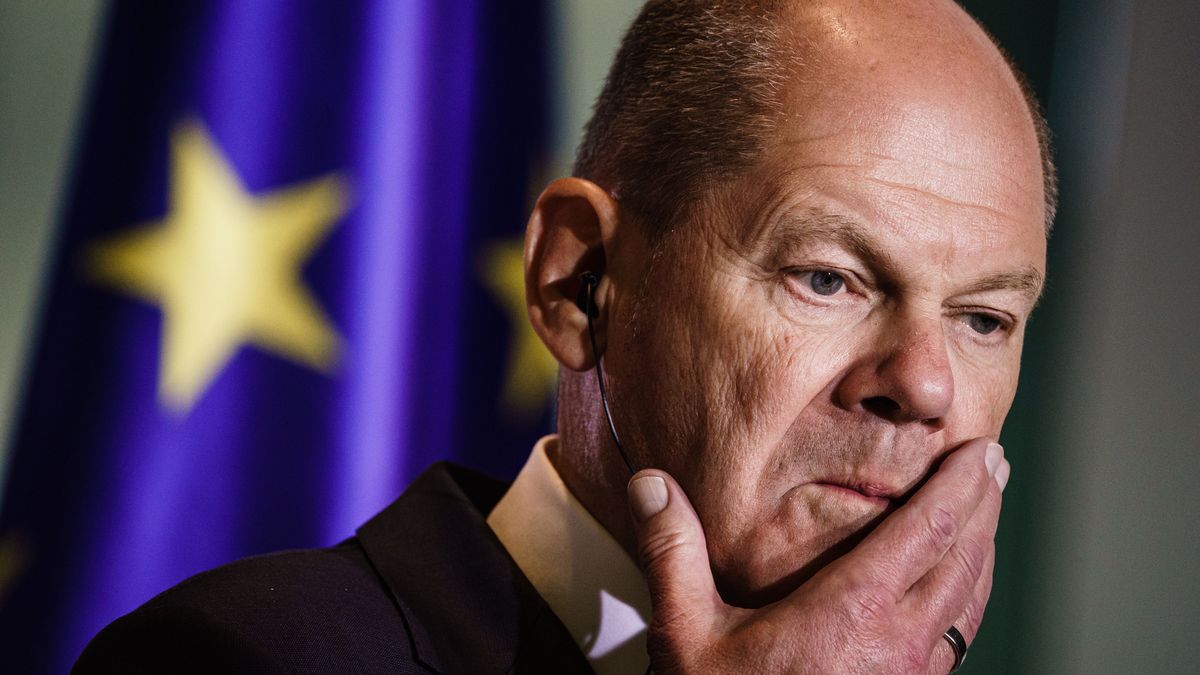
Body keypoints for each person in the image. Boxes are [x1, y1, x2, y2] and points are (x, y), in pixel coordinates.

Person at [75, 0, 1054, 672]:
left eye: (983, 319)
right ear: (578, 284)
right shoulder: (247, 658)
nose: (923, 384)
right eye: (827, 278)